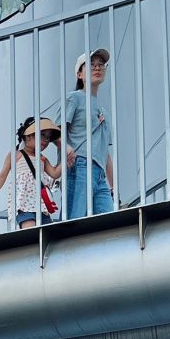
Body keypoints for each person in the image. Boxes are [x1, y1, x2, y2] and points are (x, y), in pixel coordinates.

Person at [0, 116, 63, 228]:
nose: (46, 140)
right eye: (42, 135)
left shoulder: (42, 158)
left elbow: (55, 173)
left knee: (47, 233)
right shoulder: (16, 155)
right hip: (23, 203)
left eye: (48, 137)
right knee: (31, 232)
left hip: (41, 204)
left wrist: (65, 158)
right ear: (27, 136)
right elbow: (1, 177)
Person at [65, 49, 114, 217]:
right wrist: (65, 147)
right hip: (81, 164)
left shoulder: (103, 110)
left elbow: (105, 152)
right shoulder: (74, 98)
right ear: (79, 74)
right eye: (91, 65)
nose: (97, 68)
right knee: (76, 218)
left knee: (108, 221)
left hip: (99, 172)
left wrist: (113, 186)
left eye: (101, 65)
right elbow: (59, 129)